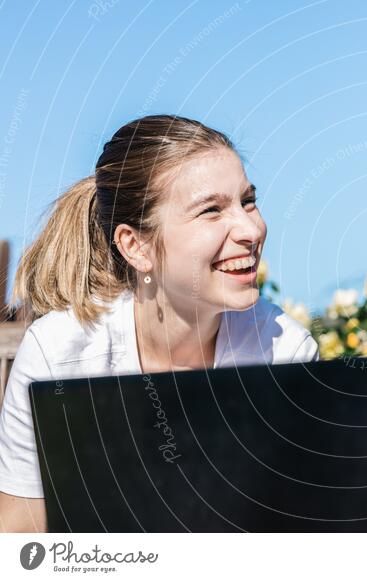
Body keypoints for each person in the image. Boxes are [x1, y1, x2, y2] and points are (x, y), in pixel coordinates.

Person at [0, 115, 319, 532]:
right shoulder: (59, 356)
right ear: (136, 246)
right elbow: (21, 541)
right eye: (211, 210)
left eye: (248, 200)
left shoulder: (284, 354)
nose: (250, 228)